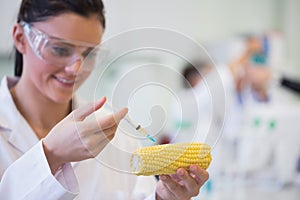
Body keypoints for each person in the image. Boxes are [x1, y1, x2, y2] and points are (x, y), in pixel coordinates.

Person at [0, 0, 209, 199]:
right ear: (20, 38)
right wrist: (52, 154)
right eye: (60, 49)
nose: (76, 68)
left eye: (89, 54)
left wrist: (164, 198)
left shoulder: (117, 135)